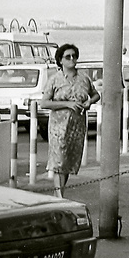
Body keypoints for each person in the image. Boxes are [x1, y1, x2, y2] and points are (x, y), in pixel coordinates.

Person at [38, 43, 100, 194]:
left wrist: (89, 102)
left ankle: (59, 193)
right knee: (59, 159)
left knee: (68, 162)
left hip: (77, 126)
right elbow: (44, 103)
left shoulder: (84, 78)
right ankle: (59, 197)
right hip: (58, 126)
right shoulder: (54, 80)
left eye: (74, 56)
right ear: (60, 60)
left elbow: (96, 94)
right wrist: (67, 104)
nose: (72, 59)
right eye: (68, 57)